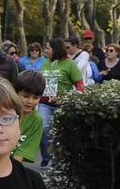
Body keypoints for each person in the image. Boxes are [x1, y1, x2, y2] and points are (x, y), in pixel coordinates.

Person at [36, 38, 85, 166]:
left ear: (55, 49)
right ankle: (48, 158)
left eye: (47, 48)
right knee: (43, 126)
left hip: (62, 104)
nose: (45, 50)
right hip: (45, 103)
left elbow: (79, 84)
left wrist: (69, 97)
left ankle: (60, 160)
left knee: (60, 133)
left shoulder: (70, 63)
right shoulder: (46, 63)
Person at [11, 70, 45, 171]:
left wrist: (11, 172)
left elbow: (22, 152)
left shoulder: (36, 120)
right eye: (25, 96)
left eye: (35, 98)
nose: (30, 102)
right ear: (15, 93)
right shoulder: (4, 111)